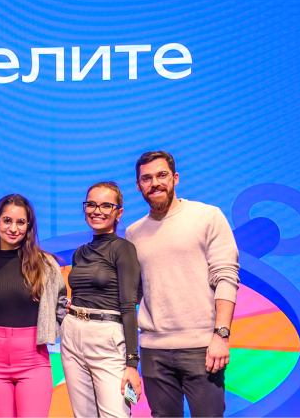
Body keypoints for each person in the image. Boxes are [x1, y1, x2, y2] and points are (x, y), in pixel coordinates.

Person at [125, 151, 240, 418]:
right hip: (154, 350)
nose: (155, 183)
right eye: (147, 178)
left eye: (162, 175)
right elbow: (133, 293)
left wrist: (221, 335)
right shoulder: (133, 233)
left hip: (202, 347)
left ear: (175, 178)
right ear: (138, 185)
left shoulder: (208, 216)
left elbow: (226, 276)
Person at [0, 194, 68, 418]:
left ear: (29, 226)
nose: (13, 228)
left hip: (34, 360)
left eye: (20, 222)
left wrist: (51, 331)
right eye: (7, 220)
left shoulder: (46, 264)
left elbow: (61, 306)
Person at [61, 181, 142, 418]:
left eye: (106, 205)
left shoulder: (123, 249)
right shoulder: (79, 252)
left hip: (107, 337)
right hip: (72, 335)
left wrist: (132, 363)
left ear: (119, 212)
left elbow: (129, 306)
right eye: (92, 204)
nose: (97, 211)